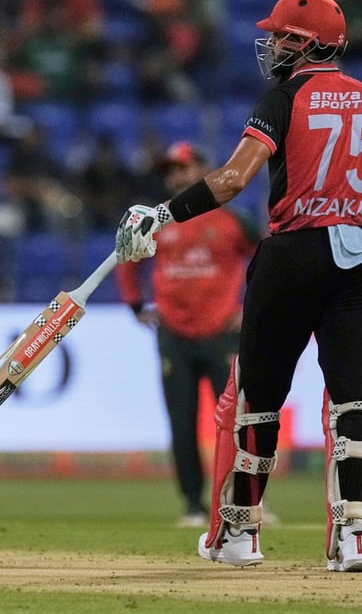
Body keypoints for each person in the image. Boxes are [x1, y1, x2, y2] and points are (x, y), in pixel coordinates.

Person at [116, 0, 362, 573]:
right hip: (361, 259)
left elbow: (233, 180)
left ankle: (240, 533)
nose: (273, 45)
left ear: (305, 43)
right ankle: (355, 535)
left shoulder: (283, 98)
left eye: (281, 36)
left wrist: (162, 213)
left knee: (258, 396)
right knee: (356, 395)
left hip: (294, 254)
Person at [115, 141, 260, 527]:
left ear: (203, 169)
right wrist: (135, 305)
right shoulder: (156, 221)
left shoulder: (234, 219)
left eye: (184, 167)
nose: (177, 176)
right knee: (182, 424)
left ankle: (243, 500)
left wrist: (250, 310)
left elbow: (267, 260)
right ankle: (194, 505)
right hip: (174, 335)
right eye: (171, 171)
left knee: (237, 422)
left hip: (222, 334)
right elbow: (127, 260)